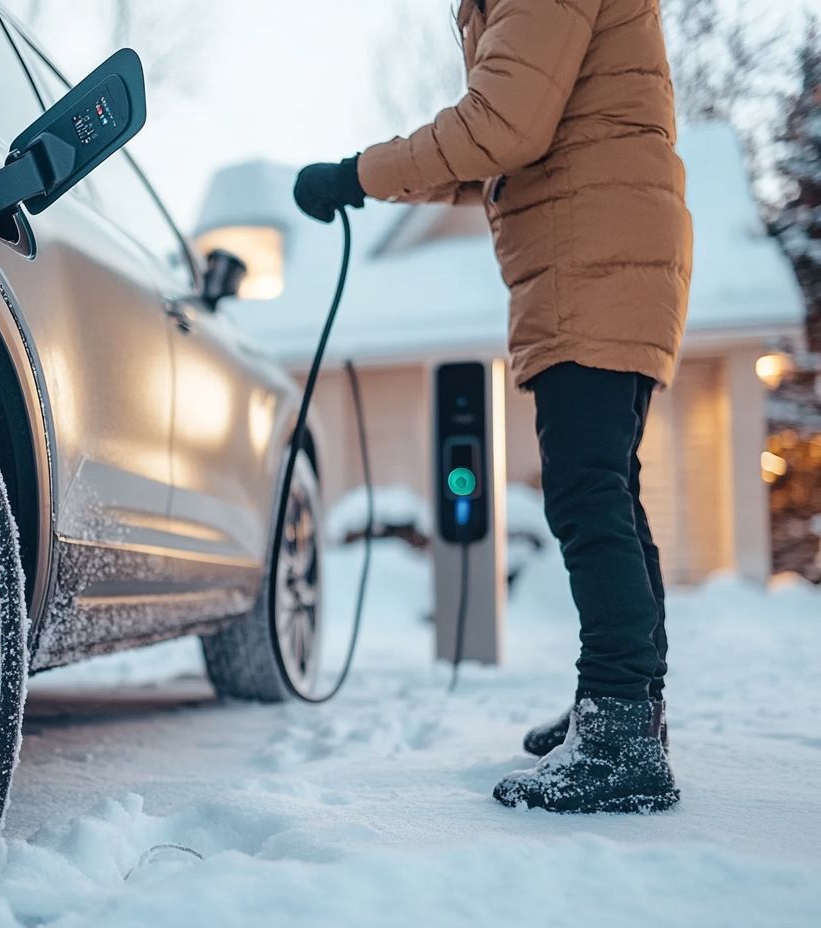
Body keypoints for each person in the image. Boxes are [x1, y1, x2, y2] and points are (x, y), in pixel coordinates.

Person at [293, 0, 691, 814]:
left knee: (588, 494)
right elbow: (502, 149)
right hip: (603, 255)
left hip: (594, 261)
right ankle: (624, 713)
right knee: (608, 488)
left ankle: (621, 734)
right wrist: (371, 185)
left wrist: (354, 172)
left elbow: (503, 127)